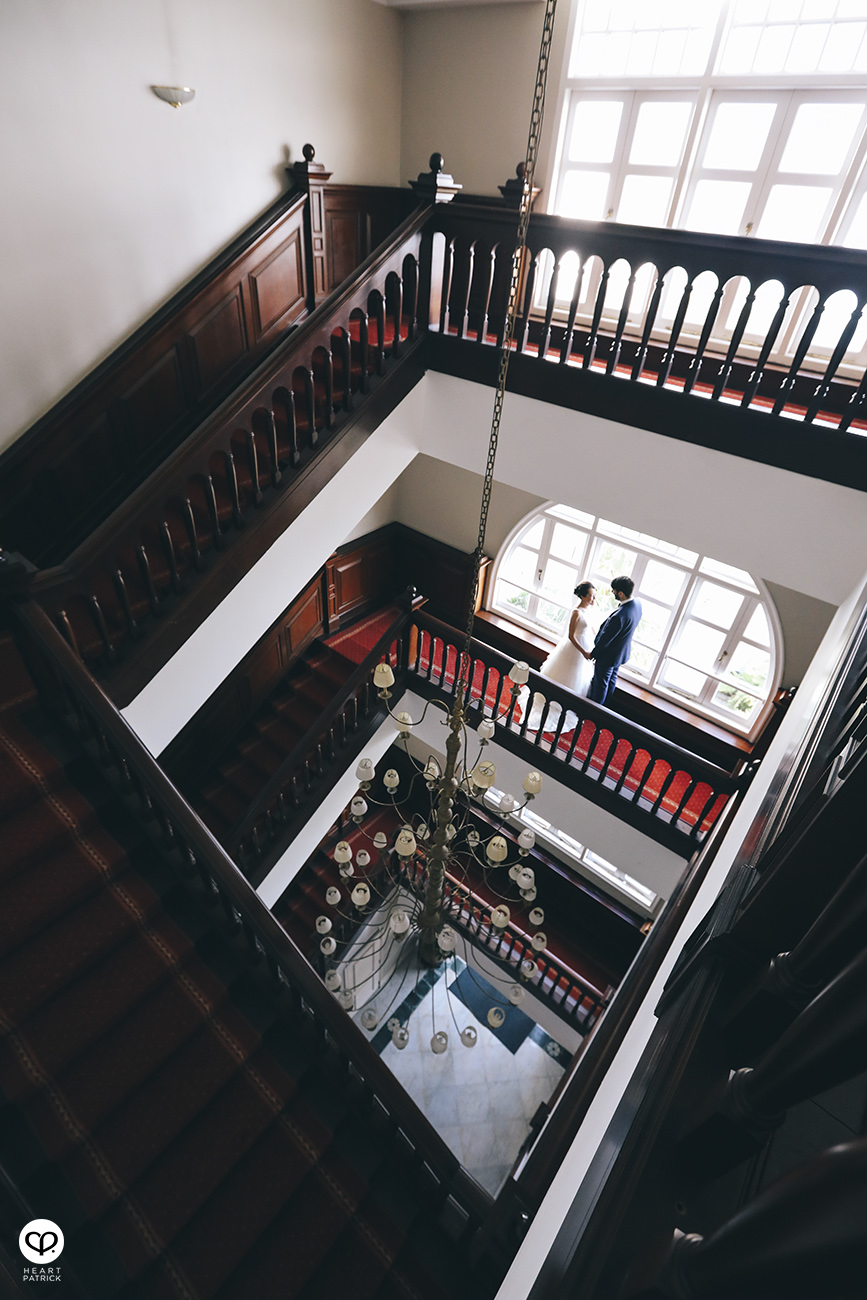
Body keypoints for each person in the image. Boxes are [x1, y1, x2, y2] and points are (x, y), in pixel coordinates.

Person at [527, 582, 596, 729]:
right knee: (566, 674)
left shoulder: (589, 611)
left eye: (594, 595)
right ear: (583, 596)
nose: (593, 598)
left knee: (578, 677)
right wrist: (583, 651)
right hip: (575, 648)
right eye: (591, 595)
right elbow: (571, 636)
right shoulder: (576, 612)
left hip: (586, 647)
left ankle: (569, 703)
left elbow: (592, 629)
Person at [585, 575, 642, 707]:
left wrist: (593, 654)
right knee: (611, 681)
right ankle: (604, 706)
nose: (612, 592)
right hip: (620, 654)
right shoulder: (637, 604)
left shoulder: (619, 616)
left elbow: (606, 640)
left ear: (621, 593)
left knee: (600, 685)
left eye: (614, 590)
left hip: (608, 657)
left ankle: (593, 710)